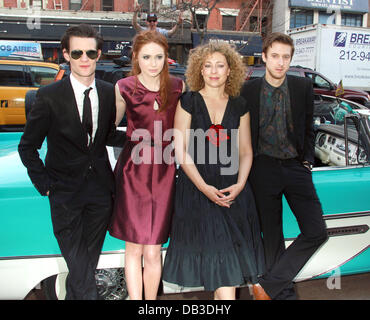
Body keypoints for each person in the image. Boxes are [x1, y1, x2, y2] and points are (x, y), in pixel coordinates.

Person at [18, 24, 125, 300]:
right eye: (77, 52)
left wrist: (144, 137)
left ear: (99, 54)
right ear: (66, 54)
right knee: (79, 267)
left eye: (90, 52)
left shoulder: (106, 90)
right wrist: (46, 185)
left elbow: (107, 135)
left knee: (85, 267)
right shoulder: (49, 96)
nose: (84, 58)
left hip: (101, 193)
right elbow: (27, 147)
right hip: (64, 194)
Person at [162, 41, 266, 300]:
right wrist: (204, 188)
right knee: (224, 272)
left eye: (220, 65)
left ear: (230, 70)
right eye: (207, 66)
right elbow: (181, 149)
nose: (214, 71)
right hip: (198, 190)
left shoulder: (240, 104)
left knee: (226, 272)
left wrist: (240, 185)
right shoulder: (188, 101)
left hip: (233, 192)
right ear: (199, 70)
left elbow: (245, 151)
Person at [240, 32, 328, 300]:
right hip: (262, 168)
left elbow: (309, 126)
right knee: (273, 238)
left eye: (285, 57)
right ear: (264, 57)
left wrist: (306, 161)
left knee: (316, 231)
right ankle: (281, 295)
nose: (280, 62)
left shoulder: (302, 88)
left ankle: (267, 286)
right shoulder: (249, 90)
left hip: (294, 167)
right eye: (275, 56)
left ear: (291, 60)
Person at [108, 30, 185, 300]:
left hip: (164, 169)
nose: (153, 63)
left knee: (153, 249)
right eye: (147, 57)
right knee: (134, 248)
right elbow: (108, 128)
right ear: (136, 58)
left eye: (159, 57)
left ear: (166, 58)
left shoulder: (178, 87)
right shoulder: (124, 87)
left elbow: (185, 129)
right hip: (133, 170)